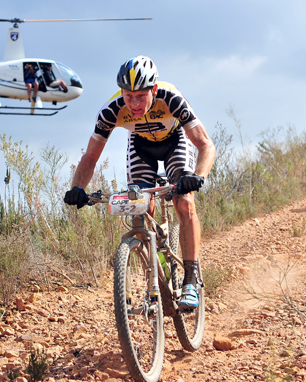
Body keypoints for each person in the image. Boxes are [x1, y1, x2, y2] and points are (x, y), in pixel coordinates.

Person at [64, 55, 216, 311]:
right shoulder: (111, 110)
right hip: (140, 147)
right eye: (128, 96)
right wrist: (77, 188)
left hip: (174, 143)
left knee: (184, 201)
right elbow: (90, 156)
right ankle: (155, 280)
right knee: (140, 205)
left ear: (153, 90)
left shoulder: (171, 99)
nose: (133, 103)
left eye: (140, 96)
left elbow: (205, 144)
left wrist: (197, 176)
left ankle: (190, 279)